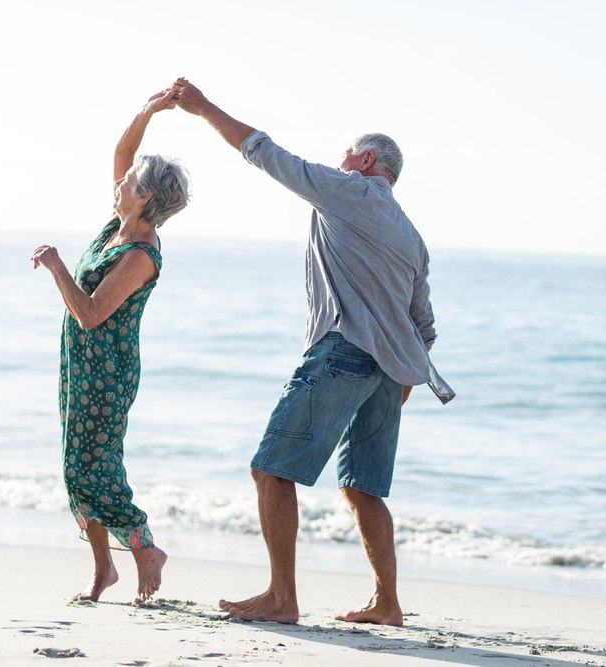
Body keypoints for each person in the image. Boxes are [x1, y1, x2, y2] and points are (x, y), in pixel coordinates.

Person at [170, 77, 454, 626]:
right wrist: (402, 381)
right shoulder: (412, 236)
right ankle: (387, 603)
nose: (338, 161)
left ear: (365, 161)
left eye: (346, 154)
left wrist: (202, 107)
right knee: (363, 488)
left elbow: (265, 152)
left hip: (344, 352)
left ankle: (282, 598)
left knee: (270, 471)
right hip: (391, 372)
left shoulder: (348, 190)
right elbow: (424, 323)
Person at [31, 89, 190, 605]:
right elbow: (123, 154)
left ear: (144, 197)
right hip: (78, 364)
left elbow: (91, 313)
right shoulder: (117, 226)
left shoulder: (141, 252)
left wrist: (56, 265)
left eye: (128, 182)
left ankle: (145, 547)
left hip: (107, 372)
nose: (118, 183)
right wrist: (148, 111)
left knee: (91, 470)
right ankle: (103, 569)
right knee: (75, 467)